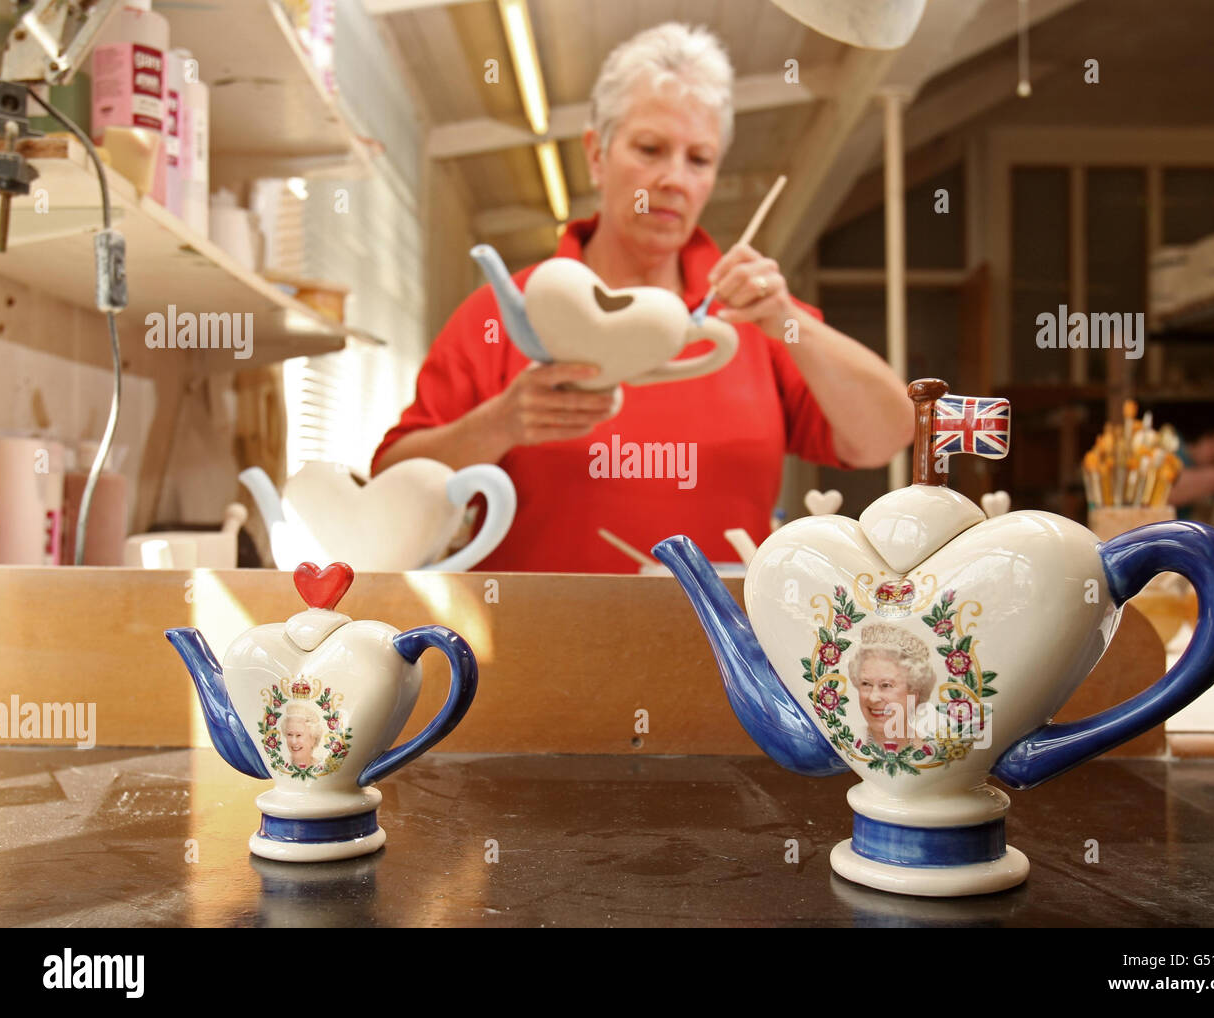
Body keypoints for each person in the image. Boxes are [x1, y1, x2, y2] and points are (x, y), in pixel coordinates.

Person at [372, 23, 913, 572]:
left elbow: (886, 436)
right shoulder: (509, 312)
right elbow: (390, 485)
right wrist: (500, 424)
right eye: (650, 149)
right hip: (539, 648)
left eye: (698, 159)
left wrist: (793, 321)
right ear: (596, 154)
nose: (673, 178)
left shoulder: (754, 318)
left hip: (722, 651)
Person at [846, 624, 937, 750]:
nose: (873, 698)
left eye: (886, 685)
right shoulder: (849, 741)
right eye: (866, 684)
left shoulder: (930, 749)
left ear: (914, 694)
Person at [282, 704, 325, 772]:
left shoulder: (322, 766)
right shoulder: (281, 764)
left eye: (299, 735)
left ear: (313, 738)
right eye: (289, 734)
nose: (293, 741)